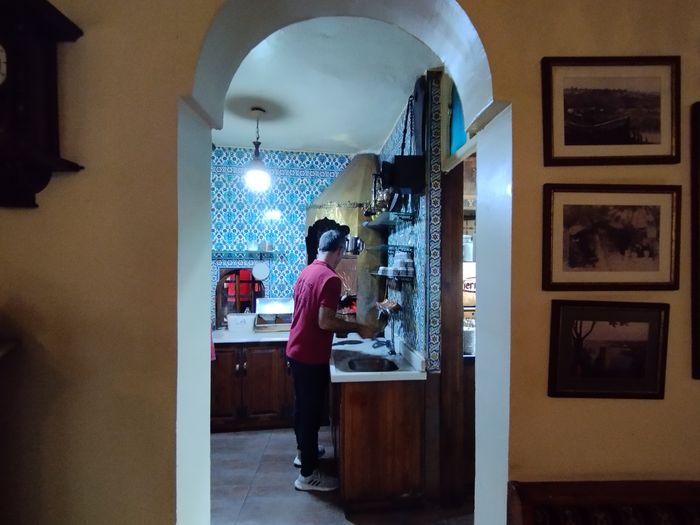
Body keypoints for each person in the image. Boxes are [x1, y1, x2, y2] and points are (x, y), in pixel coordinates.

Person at [286, 229, 376, 492]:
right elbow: (324, 322)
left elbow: (310, 308)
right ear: (338, 251)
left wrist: (340, 307)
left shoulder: (307, 272)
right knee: (310, 413)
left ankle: (304, 453)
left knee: (302, 409)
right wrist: (358, 327)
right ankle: (307, 476)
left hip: (296, 350)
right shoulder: (331, 278)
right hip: (310, 355)